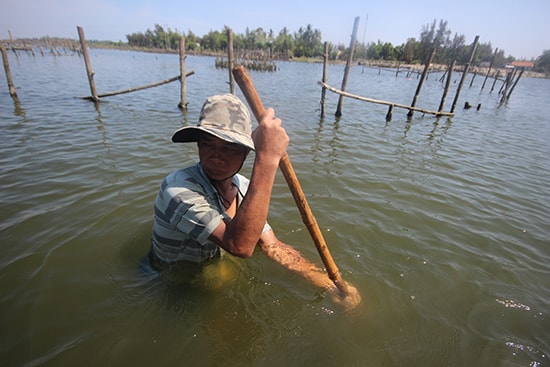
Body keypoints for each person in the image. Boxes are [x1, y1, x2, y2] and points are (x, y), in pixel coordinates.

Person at [150, 93, 360, 309]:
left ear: (244, 154)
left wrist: (327, 283)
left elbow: (272, 246)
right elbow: (239, 246)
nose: (215, 156)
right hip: (171, 280)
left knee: (223, 277)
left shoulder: (242, 186)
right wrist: (268, 157)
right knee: (216, 282)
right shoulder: (178, 189)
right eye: (207, 144)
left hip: (210, 267)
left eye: (228, 148)